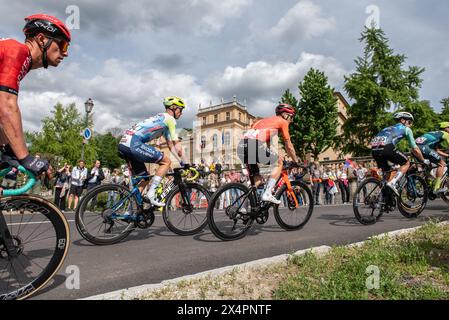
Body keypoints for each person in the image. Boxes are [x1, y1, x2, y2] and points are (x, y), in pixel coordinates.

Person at [0, 14, 71, 178]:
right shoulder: (17, 51)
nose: (65, 53)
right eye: (63, 45)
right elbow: (7, 107)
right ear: (41, 39)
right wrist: (26, 158)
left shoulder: (17, 58)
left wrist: (9, 148)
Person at [118, 96, 189, 207]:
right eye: (181, 109)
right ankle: (151, 194)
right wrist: (187, 163)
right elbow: (177, 145)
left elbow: (171, 146)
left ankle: (131, 210)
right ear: (173, 108)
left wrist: (181, 161)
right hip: (133, 142)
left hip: (125, 143)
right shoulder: (170, 119)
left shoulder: (162, 121)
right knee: (166, 162)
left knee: (145, 178)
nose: (181, 113)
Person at [237, 103, 300, 204]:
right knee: (279, 162)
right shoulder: (282, 121)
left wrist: (276, 153)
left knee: (256, 181)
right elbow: (288, 145)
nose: (291, 120)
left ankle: (244, 207)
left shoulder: (263, 121)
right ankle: (267, 193)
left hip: (242, 146)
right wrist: (295, 161)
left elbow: (268, 143)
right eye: (291, 117)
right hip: (254, 145)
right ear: (285, 114)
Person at [371, 112, 429, 196]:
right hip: (387, 148)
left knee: (386, 174)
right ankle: (393, 183)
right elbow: (415, 148)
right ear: (402, 120)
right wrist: (423, 160)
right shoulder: (406, 129)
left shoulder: (386, 128)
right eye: (409, 122)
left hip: (374, 150)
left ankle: (383, 198)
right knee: (406, 162)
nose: (411, 124)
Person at [415, 122, 449, 194]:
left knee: (429, 166)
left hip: (415, 149)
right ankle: (436, 188)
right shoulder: (445, 134)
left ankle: (427, 185)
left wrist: (447, 156)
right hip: (423, 147)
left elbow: (437, 150)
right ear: (445, 128)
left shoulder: (435, 134)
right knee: (442, 164)